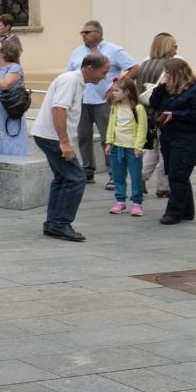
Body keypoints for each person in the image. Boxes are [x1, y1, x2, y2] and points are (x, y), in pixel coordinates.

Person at [31, 52, 109, 242]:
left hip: (49, 136)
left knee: (63, 178)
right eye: (103, 72)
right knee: (76, 178)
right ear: (89, 69)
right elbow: (58, 109)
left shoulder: (76, 81)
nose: (105, 76)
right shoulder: (70, 80)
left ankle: (53, 223)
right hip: (52, 138)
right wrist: (64, 142)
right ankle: (60, 224)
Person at [66, 20, 137, 187]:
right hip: (81, 100)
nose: (83, 35)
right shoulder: (77, 52)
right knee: (83, 137)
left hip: (104, 101)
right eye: (82, 33)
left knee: (108, 137)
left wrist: (116, 86)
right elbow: (68, 73)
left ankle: (114, 174)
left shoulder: (114, 50)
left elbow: (135, 68)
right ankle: (87, 171)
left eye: (87, 32)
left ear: (98, 33)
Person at [150, 58, 196, 225]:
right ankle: (187, 211)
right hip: (168, 137)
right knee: (178, 175)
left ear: (177, 73)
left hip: (187, 138)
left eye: (168, 72)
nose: (166, 75)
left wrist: (175, 115)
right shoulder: (169, 90)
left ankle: (173, 212)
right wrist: (160, 87)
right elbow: (154, 103)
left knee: (178, 175)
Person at [132, 33, 181, 201]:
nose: (176, 49)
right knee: (165, 150)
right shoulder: (170, 66)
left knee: (153, 147)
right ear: (167, 47)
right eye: (174, 46)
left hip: (145, 111)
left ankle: (140, 178)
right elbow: (172, 89)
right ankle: (163, 187)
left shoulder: (143, 65)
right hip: (162, 112)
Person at [105, 79, 148, 216]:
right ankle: (120, 202)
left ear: (127, 92)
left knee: (135, 177)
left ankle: (137, 203)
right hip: (117, 147)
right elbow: (111, 125)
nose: (113, 93)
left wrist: (138, 146)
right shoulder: (115, 107)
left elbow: (142, 128)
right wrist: (109, 142)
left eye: (117, 90)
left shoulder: (138, 108)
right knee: (118, 176)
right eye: (113, 90)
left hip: (132, 148)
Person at [0, 41, 29, 156]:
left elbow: (5, 85)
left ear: (5, 52)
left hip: (8, 110)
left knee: (10, 139)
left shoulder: (15, 68)